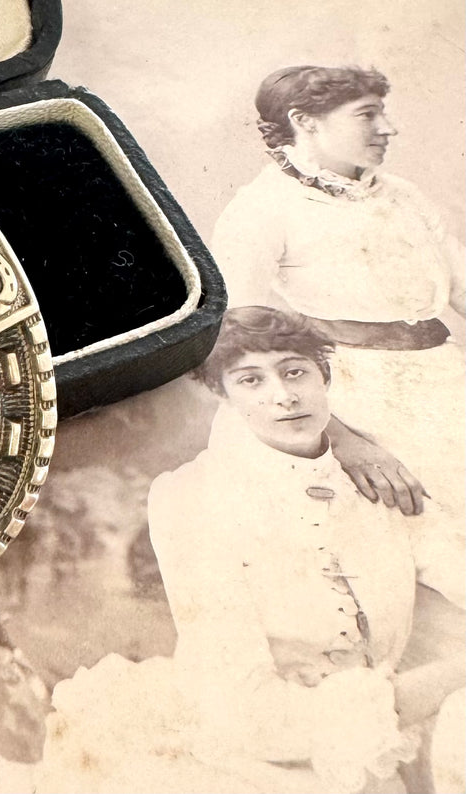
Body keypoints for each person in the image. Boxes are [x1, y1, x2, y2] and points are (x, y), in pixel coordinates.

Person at [148, 308, 462, 791]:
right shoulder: (193, 497)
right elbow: (239, 703)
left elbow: (450, 559)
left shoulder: (370, 476)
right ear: (223, 396)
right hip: (256, 761)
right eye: (250, 380)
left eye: (295, 371)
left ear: (325, 378)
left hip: (379, 747)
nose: (284, 395)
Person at [212, 65, 465, 547]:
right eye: (367, 115)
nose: (387, 128)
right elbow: (235, 334)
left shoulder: (404, 196)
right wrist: (344, 440)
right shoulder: (262, 208)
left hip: (448, 376)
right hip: (360, 394)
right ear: (305, 121)